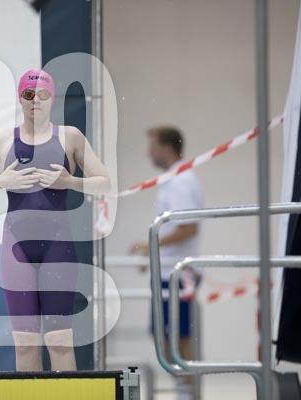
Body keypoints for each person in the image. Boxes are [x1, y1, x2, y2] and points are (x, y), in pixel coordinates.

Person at [0, 69, 111, 371]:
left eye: (42, 95)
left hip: (58, 246)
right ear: (20, 98)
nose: (35, 101)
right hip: (16, 248)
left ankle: (65, 394)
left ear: (51, 99)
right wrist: (0, 181)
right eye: (28, 95)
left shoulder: (70, 137)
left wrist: (69, 182)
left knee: (59, 341)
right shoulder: (2, 140)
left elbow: (105, 183)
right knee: (25, 343)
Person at [129, 126, 203, 400]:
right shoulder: (173, 180)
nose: (149, 153)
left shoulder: (182, 181)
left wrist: (149, 245)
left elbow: (188, 228)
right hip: (169, 270)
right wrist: (150, 255)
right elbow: (173, 229)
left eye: (153, 147)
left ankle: (187, 393)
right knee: (163, 335)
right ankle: (184, 390)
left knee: (178, 337)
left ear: (167, 148)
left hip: (178, 273)